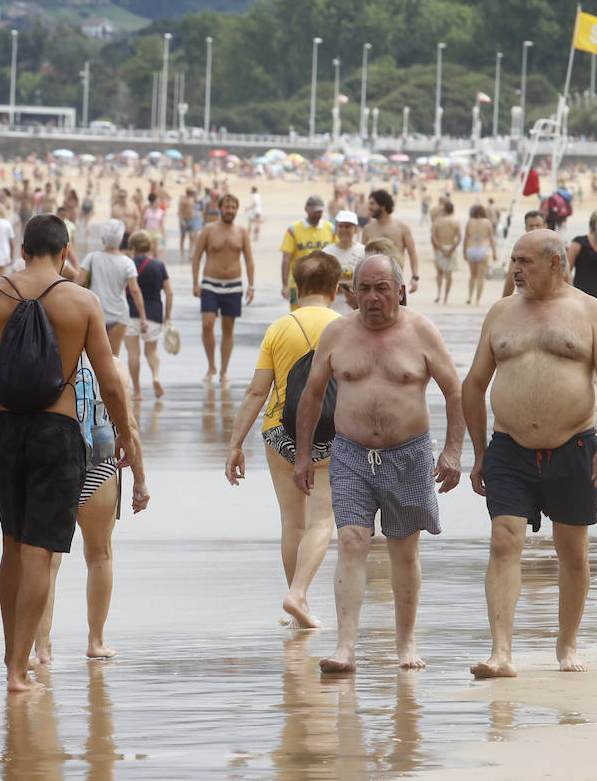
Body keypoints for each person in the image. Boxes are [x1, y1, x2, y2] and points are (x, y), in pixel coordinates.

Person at [0, 213, 145, 693]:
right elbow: (110, 380)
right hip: (58, 429)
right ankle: (18, 671)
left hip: (6, 427)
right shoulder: (81, 301)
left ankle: (9, 657)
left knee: (12, 543)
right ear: (65, 248)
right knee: (40, 550)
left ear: (23, 247)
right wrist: (125, 434)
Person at [462, 230, 597, 678]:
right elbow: (474, 384)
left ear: (555, 263)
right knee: (503, 541)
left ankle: (567, 644)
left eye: (525, 261)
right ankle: (501, 652)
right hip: (510, 449)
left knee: (572, 551)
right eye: (513, 260)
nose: (515, 269)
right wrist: (479, 453)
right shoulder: (500, 313)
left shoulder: (588, 311)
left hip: (574, 448)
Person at [291, 254, 464, 673]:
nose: (371, 297)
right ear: (351, 292)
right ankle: (344, 647)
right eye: (363, 288)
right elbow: (312, 395)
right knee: (351, 541)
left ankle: (406, 644)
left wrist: (454, 451)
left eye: (381, 288)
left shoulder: (421, 331)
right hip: (349, 453)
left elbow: (455, 391)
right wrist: (302, 456)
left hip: (408, 453)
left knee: (404, 549)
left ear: (400, 291)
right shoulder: (336, 333)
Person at [225, 252, 342, 629]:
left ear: (296, 287)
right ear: (336, 289)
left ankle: (296, 606)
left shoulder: (279, 328)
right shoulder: (346, 327)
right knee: (321, 519)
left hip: (280, 433)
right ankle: (299, 595)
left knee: (291, 523)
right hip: (334, 434)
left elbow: (257, 391)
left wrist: (235, 444)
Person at [33, 346, 150, 664]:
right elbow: (129, 427)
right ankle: (96, 640)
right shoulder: (113, 367)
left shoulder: (43, 360)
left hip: (54, 467)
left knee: (46, 561)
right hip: (99, 466)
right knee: (100, 554)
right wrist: (139, 480)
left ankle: (42, 648)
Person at [191, 194, 256, 385]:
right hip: (210, 283)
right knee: (207, 324)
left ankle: (224, 371)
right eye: (227, 207)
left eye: (234, 207)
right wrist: (195, 283)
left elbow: (249, 260)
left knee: (228, 328)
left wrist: (251, 286)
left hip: (233, 285)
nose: (230, 211)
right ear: (220, 208)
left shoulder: (242, 232)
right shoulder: (208, 230)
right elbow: (196, 257)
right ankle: (211, 366)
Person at [82, 220, 147, 355]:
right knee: (113, 357)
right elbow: (135, 291)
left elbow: (78, 282)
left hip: (96, 314)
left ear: (103, 239)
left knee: (94, 356)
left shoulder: (91, 258)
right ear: (121, 238)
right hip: (119, 316)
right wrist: (143, 318)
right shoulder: (127, 262)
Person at [124, 230, 172, 400]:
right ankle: (156, 377)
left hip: (130, 312)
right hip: (154, 313)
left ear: (134, 247)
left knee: (133, 352)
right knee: (151, 351)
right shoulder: (159, 265)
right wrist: (168, 317)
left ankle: (137, 391)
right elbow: (169, 292)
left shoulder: (128, 264)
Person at [279, 195, 336, 310]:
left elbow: (336, 257)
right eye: (315, 211)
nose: (317, 214)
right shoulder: (293, 230)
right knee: (298, 317)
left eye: (320, 211)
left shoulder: (331, 229)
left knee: (321, 318)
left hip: (323, 283)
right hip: (298, 283)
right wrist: (285, 285)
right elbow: (286, 259)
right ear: (306, 209)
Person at [361, 190, 420, 294]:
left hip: (395, 284)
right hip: (372, 287)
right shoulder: (367, 229)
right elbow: (361, 256)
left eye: (372, 204)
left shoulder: (402, 228)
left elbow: (412, 254)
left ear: (383, 206)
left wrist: (415, 277)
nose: (369, 207)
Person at [322, 210, 364, 313]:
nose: (344, 230)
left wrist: (339, 285)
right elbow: (324, 285)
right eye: (341, 226)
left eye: (348, 226)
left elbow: (364, 283)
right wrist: (351, 284)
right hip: (331, 311)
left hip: (357, 312)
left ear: (356, 229)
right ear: (336, 229)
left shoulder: (364, 251)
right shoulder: (326, 253)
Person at [501, 211, 546, 297]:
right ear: (526, 228)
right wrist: (504, 303)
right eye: (531, 226)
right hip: (526, 299)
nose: (534, 229)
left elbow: (566, 277)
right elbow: (511, 278)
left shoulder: (554, 248)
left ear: (545, 226)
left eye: (538, 225)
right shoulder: (520, 249)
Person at [463, 203, 497, 305]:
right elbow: (491, 239)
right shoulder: (487, 222)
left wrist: (464, 251)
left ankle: (469, 297)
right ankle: (478, 300)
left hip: (471, 249)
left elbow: (466, 237)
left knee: (472, 276)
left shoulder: (469, 222)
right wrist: (495, 252)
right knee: (481, 277)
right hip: (483, 249)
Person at [429, 200, 461, 304]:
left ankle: (438, 294)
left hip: (440, 249)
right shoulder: (455, 222)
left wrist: (442, 249)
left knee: (439, 273)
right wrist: (451, 250)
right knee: (449, 276)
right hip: (450, 248)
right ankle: (445, 298)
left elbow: (434, 237)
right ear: (453, 210)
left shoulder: (437, 221)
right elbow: (459, 238)